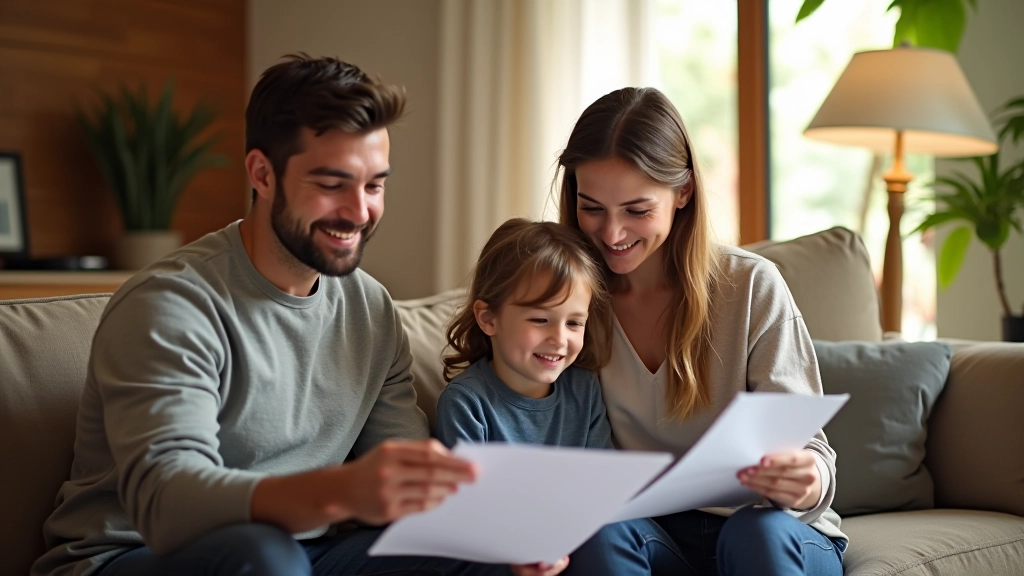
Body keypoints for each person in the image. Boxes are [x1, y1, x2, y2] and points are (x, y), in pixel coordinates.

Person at [32, 54, 510, 576]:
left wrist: (508, 536)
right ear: (262, 173)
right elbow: (167, 503)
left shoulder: (372, 310)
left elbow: (412, 489)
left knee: (484, 553)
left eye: (374, 185)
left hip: (307, 552)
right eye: (331, 184)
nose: (359, 211)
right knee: (264, 557)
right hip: (137, 554)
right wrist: (339, 492)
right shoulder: (170, 304)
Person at [555, 87, 848, 576]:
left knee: (755, 535)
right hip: (653, 536)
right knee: (598, 533)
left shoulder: (750, 285)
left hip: (769, 528)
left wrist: (806, 480)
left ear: (684, 192)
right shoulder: (567, 302)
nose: (611, 233)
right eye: (592, 208)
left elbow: (810, 450)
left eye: (637, 210)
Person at [435, 218, 693, 576]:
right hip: (526, 554)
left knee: (604, 530)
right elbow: (469, 516)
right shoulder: (466, 404)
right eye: (540, 320)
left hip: (610, 541)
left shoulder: (583, 389)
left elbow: (601, 488)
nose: (559, 339)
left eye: (574, 323)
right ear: (488, 318)